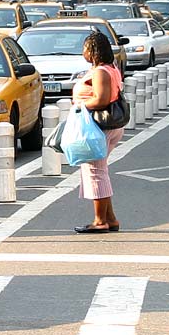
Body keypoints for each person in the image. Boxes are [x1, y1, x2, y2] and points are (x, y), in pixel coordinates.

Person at [71, 30, 125, 233]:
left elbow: (102, 99)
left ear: (92, 50)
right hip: (105, 127)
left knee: (96, 172)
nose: (83, 52)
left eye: (85, 48)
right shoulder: (110, 68)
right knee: (99, 170)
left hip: (99, 127)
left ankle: (99, 221)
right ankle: (110, 219)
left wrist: (80, 105)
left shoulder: (101, 71)